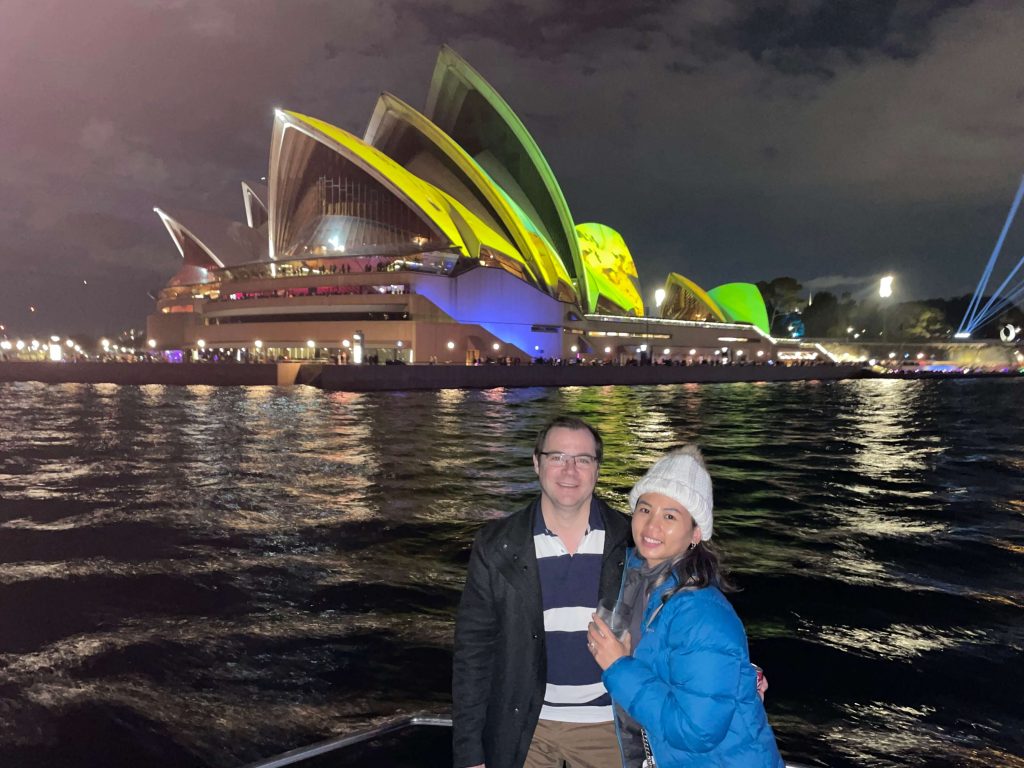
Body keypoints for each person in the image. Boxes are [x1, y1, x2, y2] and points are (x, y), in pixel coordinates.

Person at [587, 446, 784, 768]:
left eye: (670, 516)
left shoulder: (701, 612)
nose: (651, 526)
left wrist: (619, 666)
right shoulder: (638, 579)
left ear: (695, 533)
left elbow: (696, 732)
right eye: (645, 509)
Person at [452, 416, 632, 768]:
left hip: (608, 725)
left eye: (583, 459)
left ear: (597, 469)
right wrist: (469, 753)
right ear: (537, 463)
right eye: (557, 457)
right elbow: (473, 653)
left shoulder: (630, 542)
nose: (570, 470)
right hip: (524, 727)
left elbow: (675, 622)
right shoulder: (496, 545)